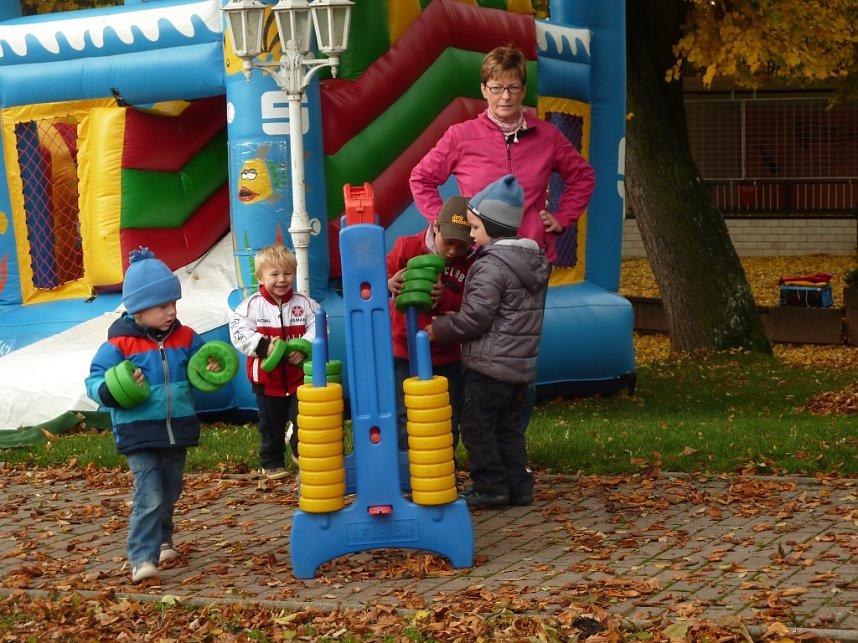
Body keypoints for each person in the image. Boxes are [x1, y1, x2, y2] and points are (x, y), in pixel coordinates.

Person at [410, 45, 595, 431]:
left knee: (518, 352)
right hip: (472, 258)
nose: (506, 97)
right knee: (470, 344)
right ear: (484, 89)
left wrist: (560, 218)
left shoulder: (547, 135)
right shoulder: (461, 135)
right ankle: (471, 441)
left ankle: (512, 443)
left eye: (513, 88)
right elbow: (421, 178)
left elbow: (582, 177)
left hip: (526, 259)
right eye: (497, 88)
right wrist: (443, 224)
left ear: (523, 89)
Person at [86, 247, 220, 584]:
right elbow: (94, 379)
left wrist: (213, 365)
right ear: (138, 310)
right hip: (137, 430)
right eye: (162, 306)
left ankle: (163, 540)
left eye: (173, 304)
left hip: (176, 427)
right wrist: (112, 390)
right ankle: (142, 558)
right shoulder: (119, 345)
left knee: (171, 490)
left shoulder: (187, 337)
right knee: (150, 494)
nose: (171, 312)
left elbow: (206, 364)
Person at [426, 175, 550, 509]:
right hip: (520, 366)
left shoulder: (490, 266)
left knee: (477, 425)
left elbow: (476, 318)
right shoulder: (532, 262)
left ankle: (490, 486)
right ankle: (518, 486)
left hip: (490, 365)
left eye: (476, 227)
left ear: (491, 228)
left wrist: (442, 328)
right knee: (507, 428)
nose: (472, 235)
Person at [387, 195, 476, 451]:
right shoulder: (406, 247)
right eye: (448, 242)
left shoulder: (470, 264)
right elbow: (373, 281)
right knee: (405, 416)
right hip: (404, 353)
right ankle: (408, 472)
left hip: (446, 355)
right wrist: (389, 283)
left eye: (462, 246)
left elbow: (474, 306)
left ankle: (443, 471)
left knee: (448, 416)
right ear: (435, 226)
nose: (452, 251)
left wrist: (446, 297)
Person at [229, 244, 318, 480]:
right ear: (260, 277)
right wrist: (264, 346)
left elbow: (320, 326)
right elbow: (239, 333)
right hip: (267, 382)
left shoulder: (305, 304)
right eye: (274, 274)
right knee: (271, 426)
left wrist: (305, 348)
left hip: (299, 379)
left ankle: (303, 452)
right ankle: (272, 463)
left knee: (304, 419)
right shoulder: (250, 307)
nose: (282, 280)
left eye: (287, 273)